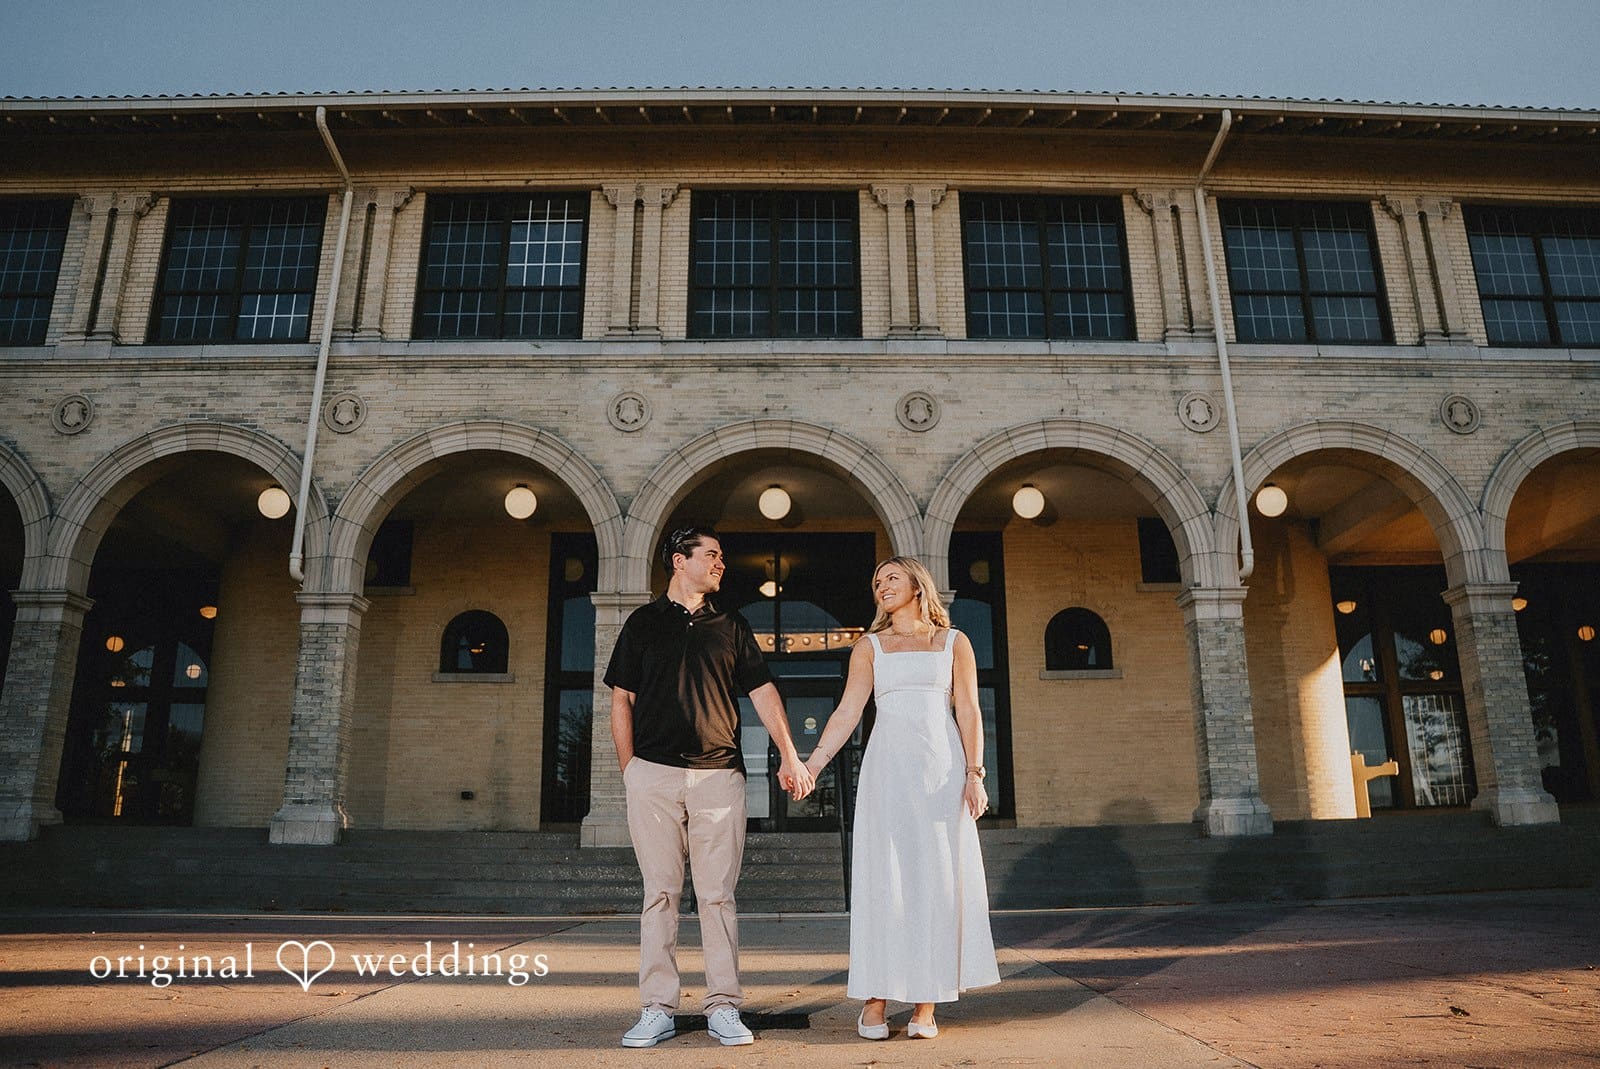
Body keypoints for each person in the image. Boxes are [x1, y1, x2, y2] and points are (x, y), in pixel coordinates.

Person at [604, 524, 816, 1048]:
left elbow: (763, 693)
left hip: (719, 776)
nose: (722, 564)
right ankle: (657, 1007)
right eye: (712, 555)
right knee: (660, 894)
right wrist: (631, 769)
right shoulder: (641, 624)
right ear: (680, 560)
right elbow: (620, 701)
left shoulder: (731, 625)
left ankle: (724, 1005)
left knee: (718, 896)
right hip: (652, 776)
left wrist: (790, 753)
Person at [803, 555, 1000, 1039]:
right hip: (887, 774)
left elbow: (970, 711)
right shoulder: (870, 647)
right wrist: (812, 765)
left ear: (917, 585)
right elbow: (849, 711)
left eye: (891, 577)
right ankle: (875, 997)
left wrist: (976, 774)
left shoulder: (955, 642)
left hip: (941, 773)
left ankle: (925, 1004)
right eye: (876, 582)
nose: (881, 586)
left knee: (935, 879)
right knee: (885, 881)